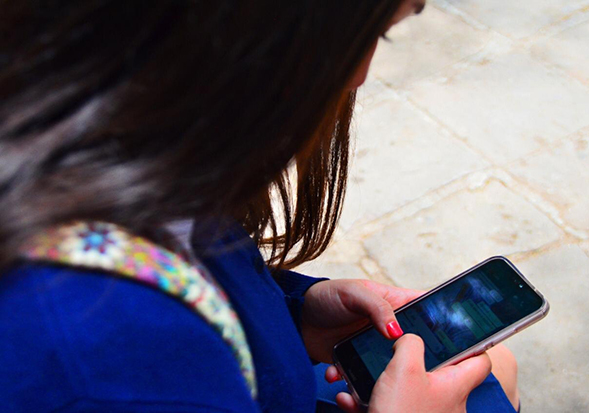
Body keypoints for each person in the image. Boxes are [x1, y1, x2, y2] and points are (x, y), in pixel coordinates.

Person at [0, 0, 520, 412]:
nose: (359, 75)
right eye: (372, 34)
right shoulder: (113, 365)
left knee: (498, 364)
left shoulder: (120, 154)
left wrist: (293, 316)